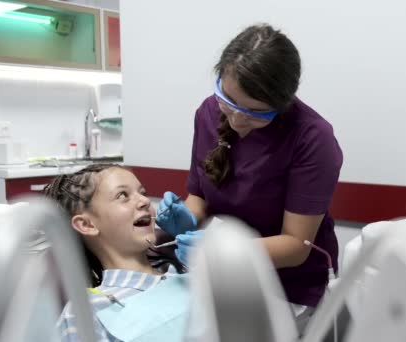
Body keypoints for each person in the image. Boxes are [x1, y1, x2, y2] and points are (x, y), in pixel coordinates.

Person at [156, 23, 343, 330]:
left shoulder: (312, 138)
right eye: (227, 102)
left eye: (257, 113)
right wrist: (185, 218)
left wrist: (223, 252)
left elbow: (296, 245)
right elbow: (199, 198)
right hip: (223, 279)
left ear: (281, 105)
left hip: (289, 288)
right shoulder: (207, 113)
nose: (237, 121)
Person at [45, 163, 198, 342]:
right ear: (87, 225)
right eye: (123, 195)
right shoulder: (83, 313)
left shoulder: (186, 271)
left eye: (142, 192)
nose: (145, 201)